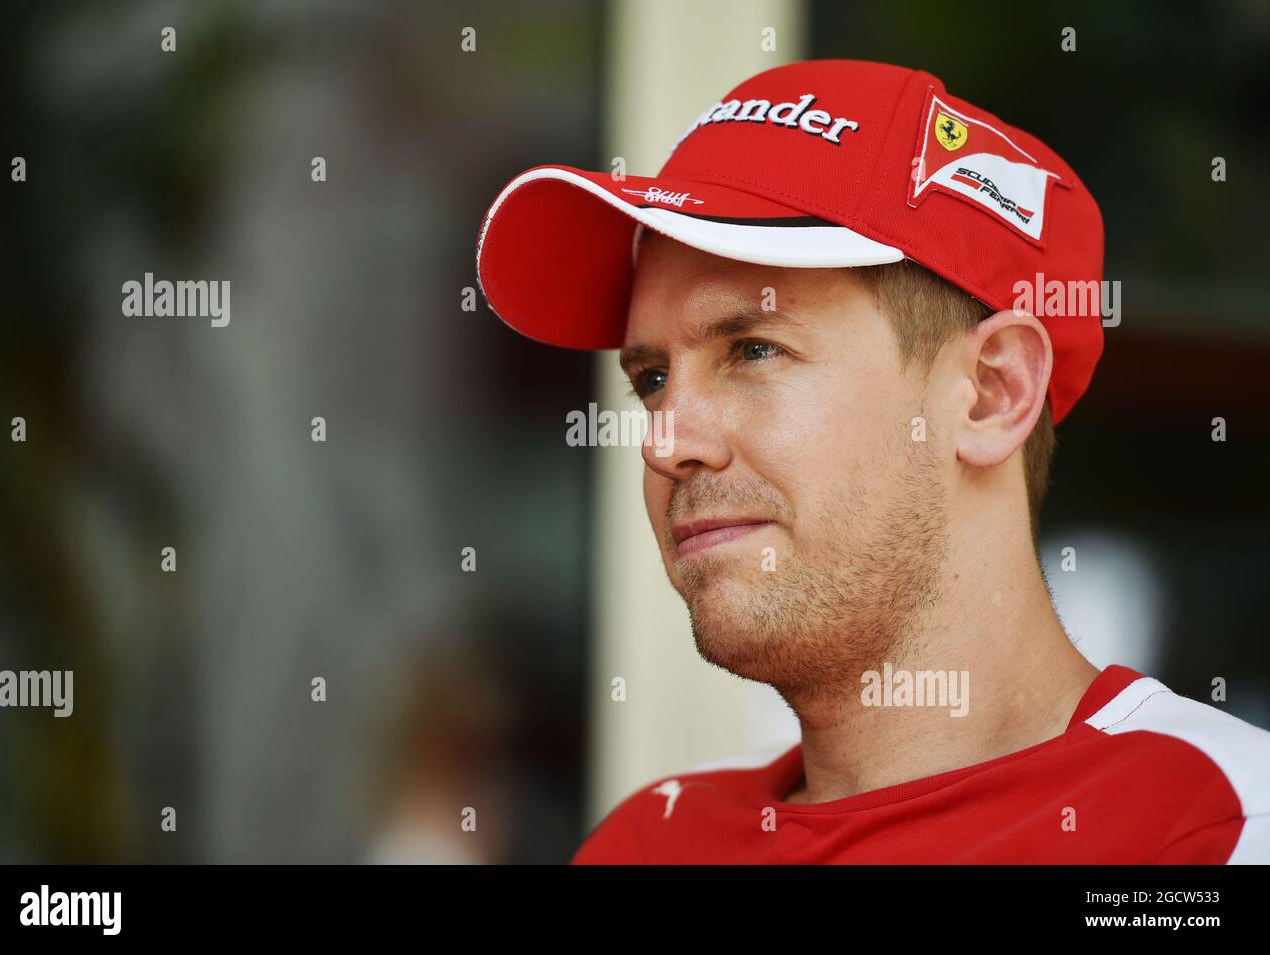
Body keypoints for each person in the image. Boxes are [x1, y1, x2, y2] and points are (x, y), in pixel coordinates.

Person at [474, 59, 1270, 863]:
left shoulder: (1212, 826)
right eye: (651, 378)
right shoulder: (647, 844)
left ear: (992, 393)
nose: (666, 440)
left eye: (752, 349)